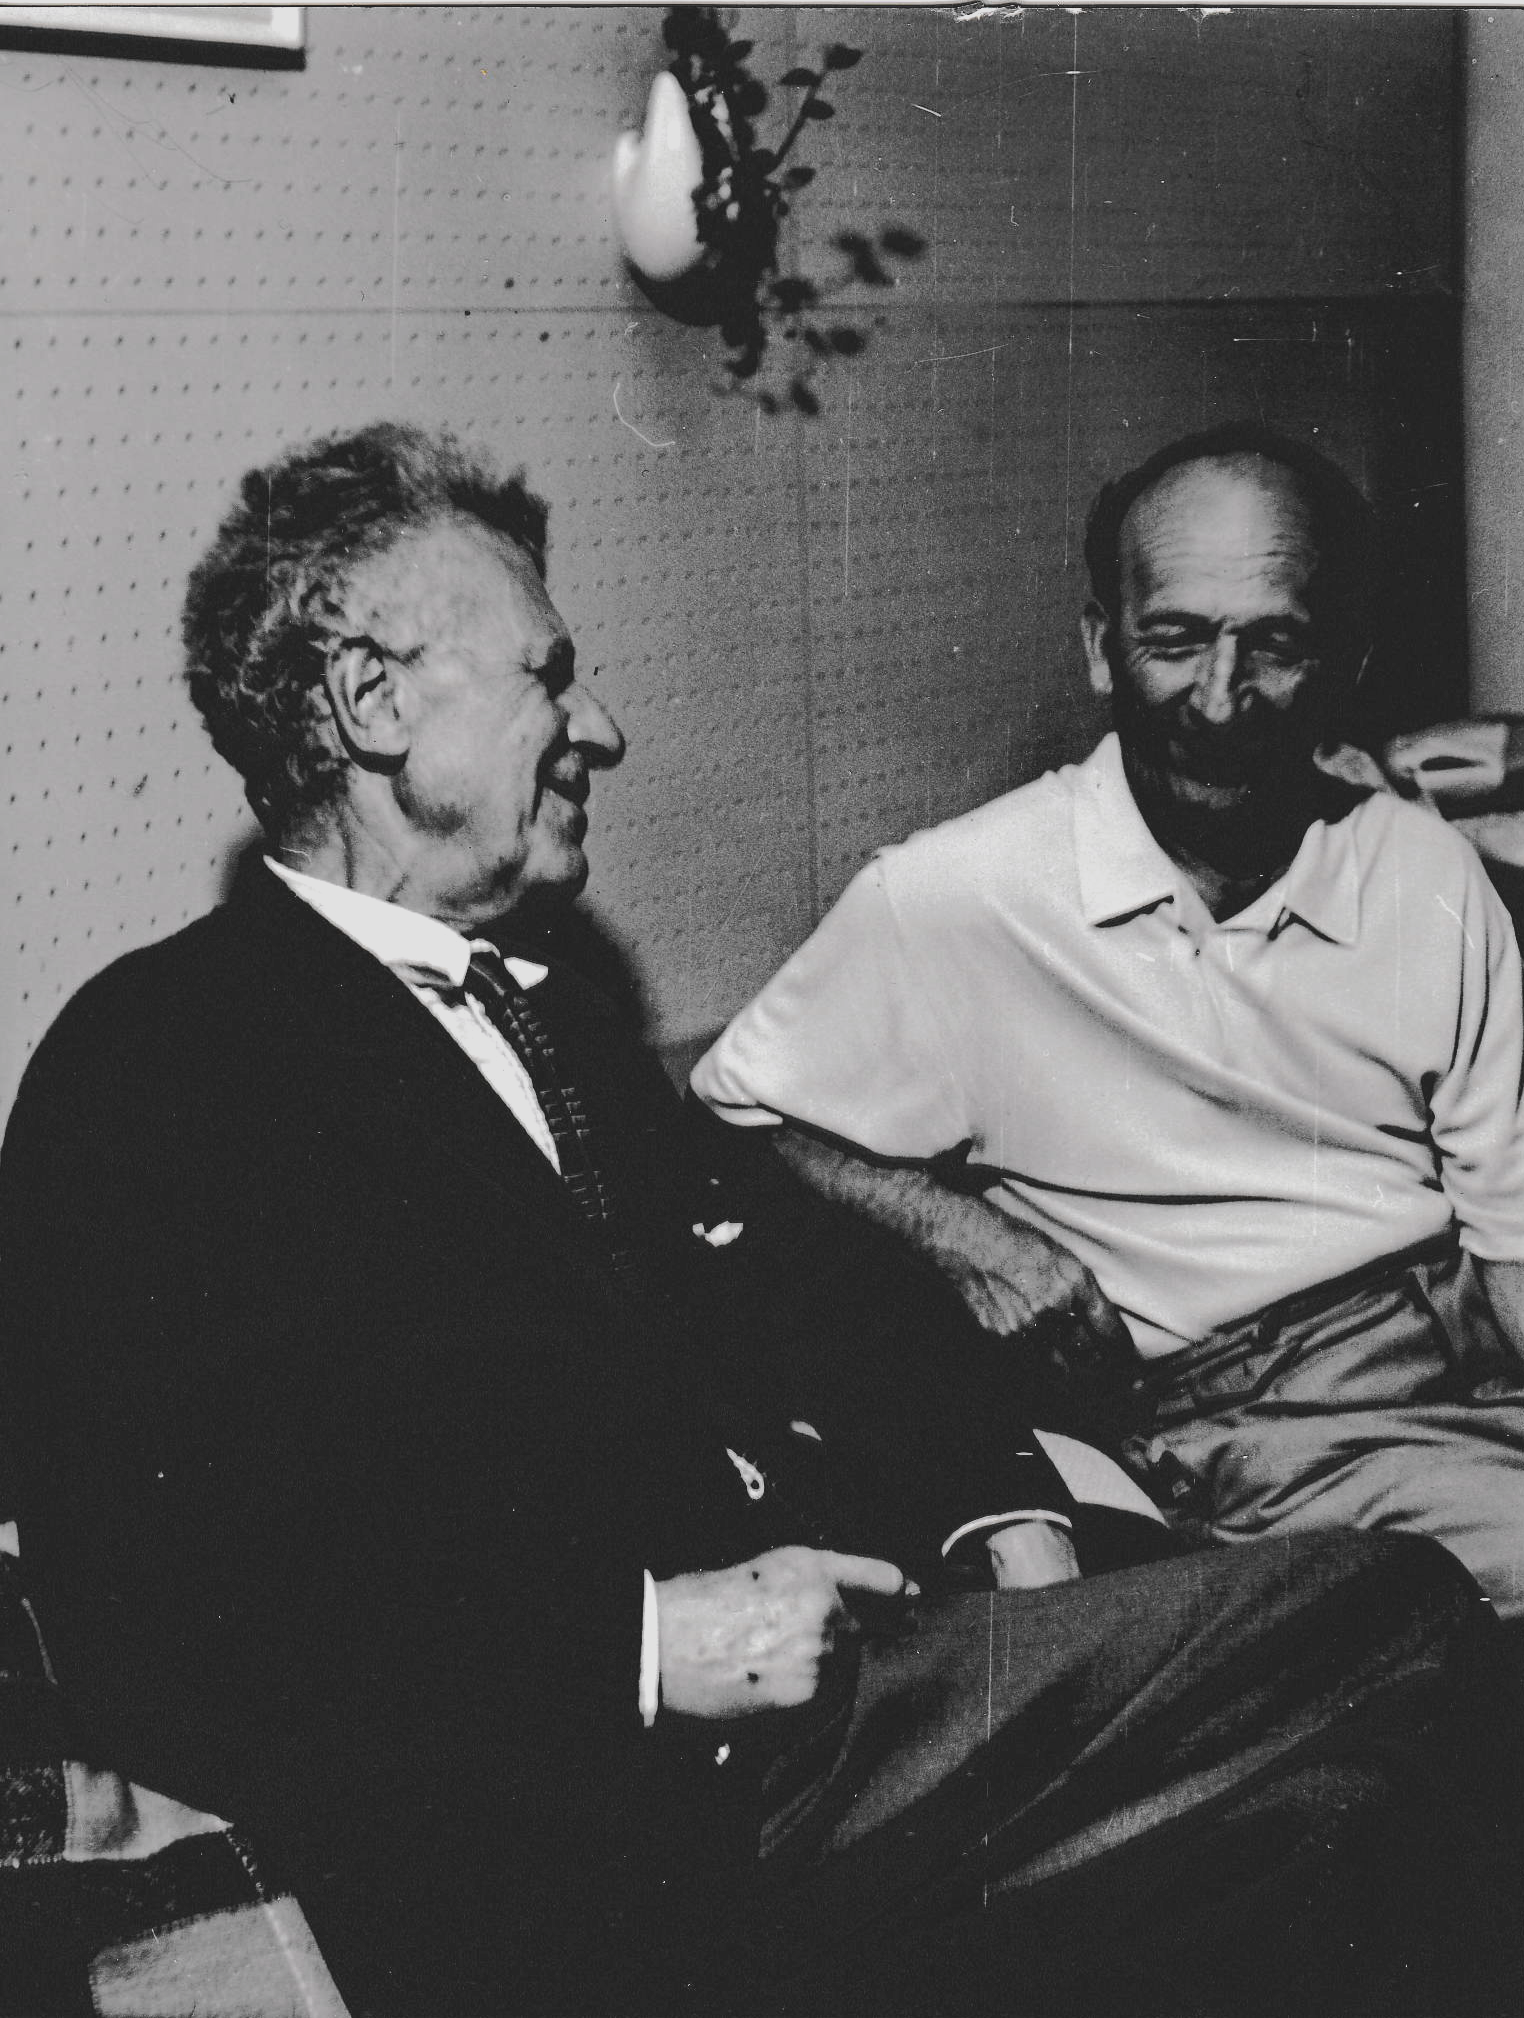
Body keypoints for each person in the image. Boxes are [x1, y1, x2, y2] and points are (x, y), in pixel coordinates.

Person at [3, 423, 1522, 2018]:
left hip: (845, 1686)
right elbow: (146, 1610)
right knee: (1401, 1609)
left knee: (1337, 1820)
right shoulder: (159, 1064)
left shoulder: (549, 1019)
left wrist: (999, 1510)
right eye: (547, 676)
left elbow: (824, 1296)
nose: (602, 726)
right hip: (618, 1804)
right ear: (373, 705)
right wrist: (644, 1646)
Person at [693, 422, 1524, 1624]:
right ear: (1100, 646)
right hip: (1255, 1418)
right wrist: (968, 1233)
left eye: (1276, 645)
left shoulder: (1427, 871)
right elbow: (725, 1125)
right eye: (1174, 640)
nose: (1222, 699)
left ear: (1347, 659)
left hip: (1461, 1349)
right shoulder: (956, 895)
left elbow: (1510, 1248)